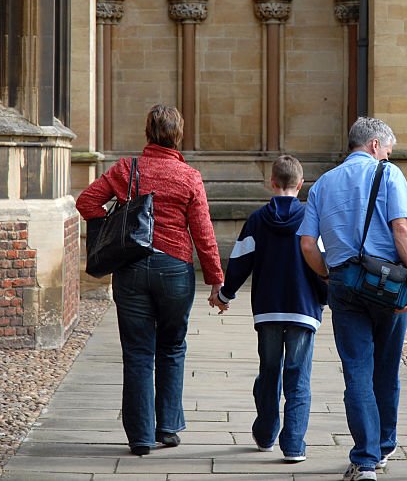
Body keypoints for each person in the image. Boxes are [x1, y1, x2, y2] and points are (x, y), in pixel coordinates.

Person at [75, 104, 224, 457]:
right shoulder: (189, 176)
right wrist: (217, 281)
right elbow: (203, 234)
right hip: (175, 271)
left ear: (148, 133)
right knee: (172, 347)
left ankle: (140, 437)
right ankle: (168, 428)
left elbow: (87, 202)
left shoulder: (128, 168)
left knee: (138, 353)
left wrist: (114, 226)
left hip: (132, 268)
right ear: (178, 135)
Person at [298, 117, 407, 481]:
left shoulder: (322, 184)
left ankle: (365, 461)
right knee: (386, 367)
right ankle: (383, 446)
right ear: (374, 146)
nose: (388, 155)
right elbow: (401, 228)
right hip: (386, 283)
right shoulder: (388, 174)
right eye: (387, 149)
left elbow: (307, 243)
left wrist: (327, 273)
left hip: (344, 283)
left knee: (357, 371)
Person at [211, 155, 327, 464]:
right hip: (303, 309)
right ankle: (294, 445)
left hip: (268, 310)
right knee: (298, 376)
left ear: (271, 183)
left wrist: (225, 294)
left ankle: (265, 434)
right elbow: (323, 264)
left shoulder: (257, 220)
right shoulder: (311, 218)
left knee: (269, 371)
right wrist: (327, 297)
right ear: (301, 185)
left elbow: (239, 263)